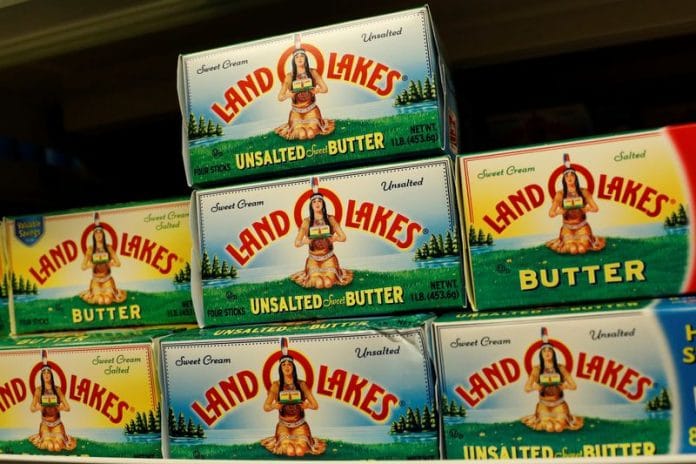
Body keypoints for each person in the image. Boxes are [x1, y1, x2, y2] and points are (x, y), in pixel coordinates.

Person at [261, 339, 326, 457]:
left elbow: (315, 405)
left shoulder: (301, 384)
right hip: (283, 426)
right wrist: (274, 406)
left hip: (300, 426)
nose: (287, 367)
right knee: (290, 451)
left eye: (289, 364)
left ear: (293, 367)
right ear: (280, 369)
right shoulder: (276, 385)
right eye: (284, 365)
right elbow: (266, 407)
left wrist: (307, 405)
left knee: (300, 451)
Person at [290, 182, 353, 289]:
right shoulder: (307, 221)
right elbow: (297, 243)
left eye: (319, 201)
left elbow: (343, 237)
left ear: (323, 203)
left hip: (329, 259)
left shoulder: (330, 219)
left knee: (328, 283)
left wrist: (334, 239)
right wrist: (305, 241)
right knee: (319, 283)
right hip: (313, 261)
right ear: (311, 205)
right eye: (314, 201)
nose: (317, 203)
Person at [521, 329, 583, 432]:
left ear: (553, 353)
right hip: (544, 406)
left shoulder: (561, 368)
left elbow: (574, 386)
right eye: (544, 351)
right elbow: (527, 388)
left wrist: (565, 386)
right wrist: (535, 387)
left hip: (559, 405)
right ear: (541, 354)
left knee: (558, 427)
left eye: (549, 350)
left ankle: (560, 421)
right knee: (549, 427)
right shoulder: (537, 369)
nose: (547, 353)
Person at [546, 154, 605, 254]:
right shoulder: (560, 194)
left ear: (576, 178)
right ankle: (567, 244)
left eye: (572, 175)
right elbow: (551, 213)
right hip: (567, 229)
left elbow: (595, 208)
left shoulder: (583, 192)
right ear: (564, 179)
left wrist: (587, 209)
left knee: (581, 249)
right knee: (573, 249)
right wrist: (559, 212)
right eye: (567, 176)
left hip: (582, 228)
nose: (569, 178)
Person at [274, 43, 335, 141]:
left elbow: (325, 89)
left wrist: (317, 90)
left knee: (310, 133)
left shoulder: (312, 72)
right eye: (297, 57)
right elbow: (280, 97)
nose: (299, 59)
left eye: (302, 56)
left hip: (312, 111)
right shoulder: (289, 76)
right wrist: (288, 95)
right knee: (302, 134)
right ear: (294, 60)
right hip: (296, 113)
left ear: (306, 58)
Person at [29, 356, 77, 452]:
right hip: (45, 425)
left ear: (51, 375)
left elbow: (68, 407)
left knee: (57, 447)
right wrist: (39, 407)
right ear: (41, 376)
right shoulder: (38, 390)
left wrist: (59, 408)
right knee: (49, 446)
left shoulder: (57, 389)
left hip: (57, 425)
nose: (46, 375)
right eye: (44, 373)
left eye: (48, 373)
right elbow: (32, 408)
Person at [79, 214, 127, 305]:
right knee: (100, 300)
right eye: (96, 233)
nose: (98, 235)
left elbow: (118, 263)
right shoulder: (90, 249)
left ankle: (110, 294)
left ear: (103, 234)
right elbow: (83, 266)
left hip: (107, 281)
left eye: (100, 232)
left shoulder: (108, 248)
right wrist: (91, 265)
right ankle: (95, 294)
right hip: (96, 281)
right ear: (93, 236)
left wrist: (111, 264)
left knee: (107, 300)